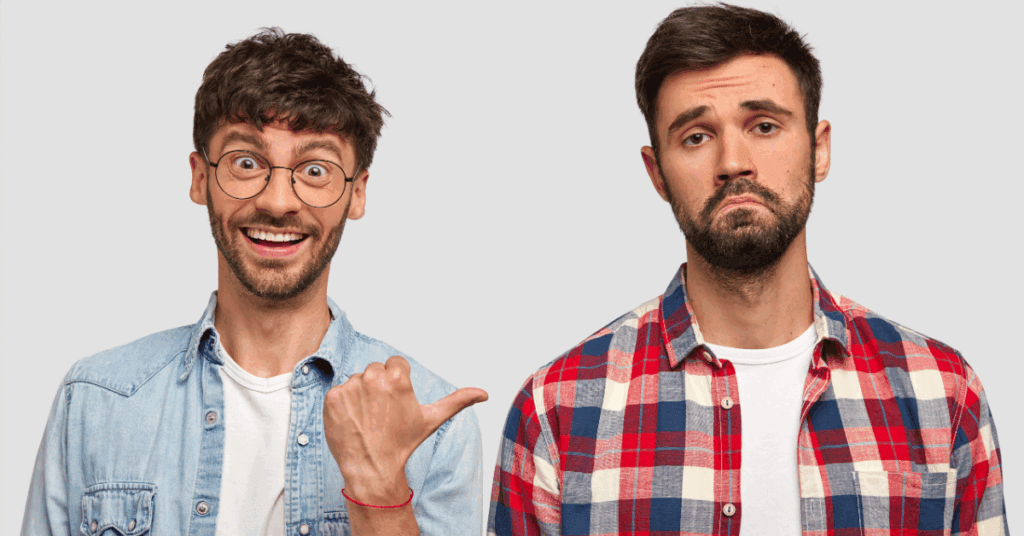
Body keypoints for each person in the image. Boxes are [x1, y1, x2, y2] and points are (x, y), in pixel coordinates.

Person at [487, 4, 1007, 535]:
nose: (733, 162)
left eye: (763, 126)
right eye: (696, 136)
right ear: (657, 173)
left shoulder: (941, 392)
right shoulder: (557, 410)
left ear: (819, 150)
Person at [22, 28, 487, 536]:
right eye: (246, 163)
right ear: (200, 178)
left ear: (357, 194)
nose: (278, 202)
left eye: (315, 170)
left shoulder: (434, 427)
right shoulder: (94, 401)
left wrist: (378, 490)